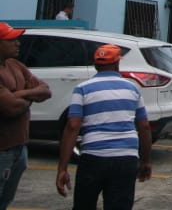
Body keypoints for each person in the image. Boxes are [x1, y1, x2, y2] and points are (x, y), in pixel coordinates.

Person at [56, 44, 152, 210]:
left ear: (95, 65)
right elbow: (144, 127)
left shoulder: (82, 89)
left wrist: (62, 168)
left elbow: (72, 126)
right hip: (126, 158)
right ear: (117, 64)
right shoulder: (132, 89)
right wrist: (145, 161)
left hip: (93, 158)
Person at [0, 22, 50, 209]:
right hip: (2, 149)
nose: (18, 43)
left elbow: (45, 90)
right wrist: (30, 97)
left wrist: (19, 94)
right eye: (11, 40)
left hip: (19, 147)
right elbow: (10, 108)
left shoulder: (15, 65)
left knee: (6, 199)